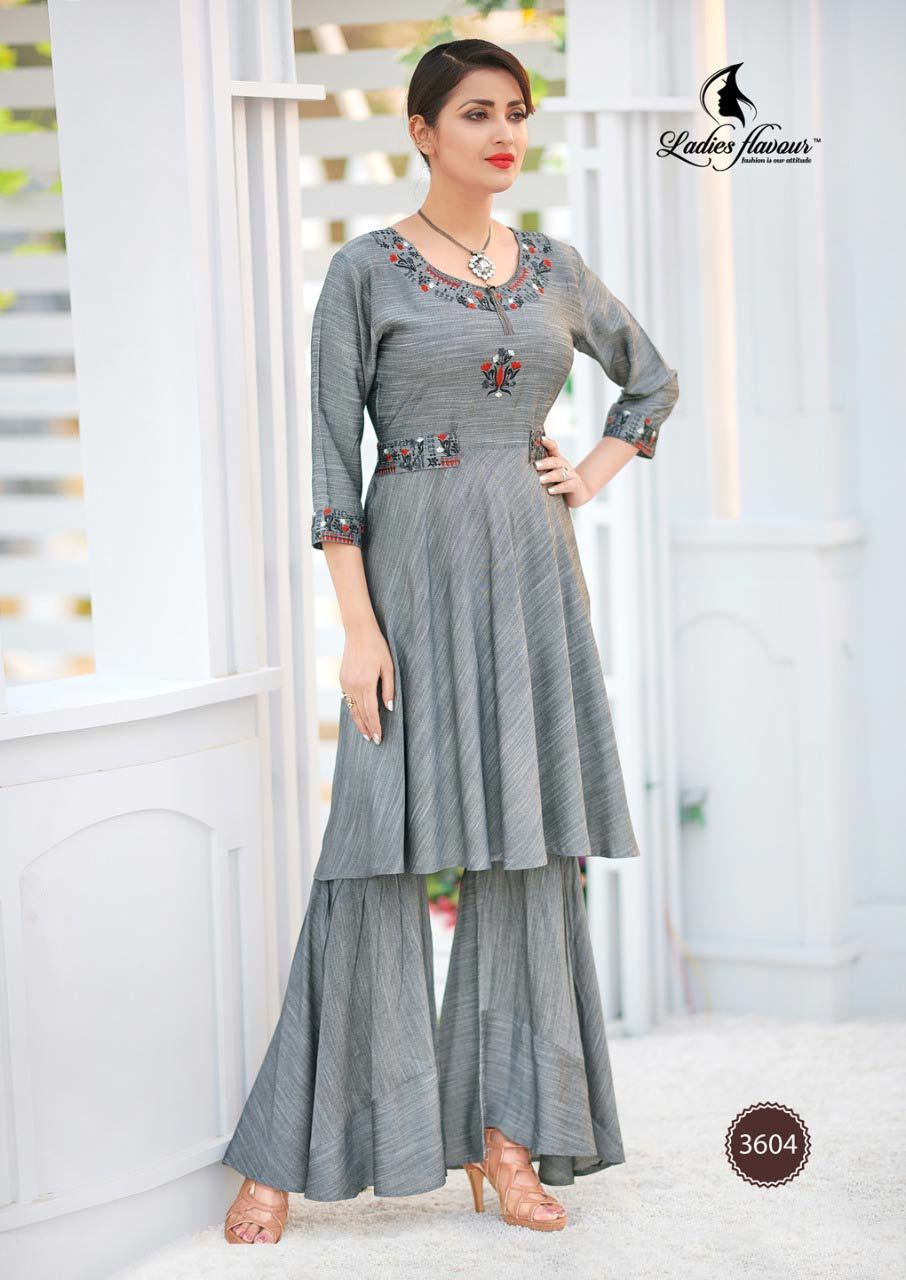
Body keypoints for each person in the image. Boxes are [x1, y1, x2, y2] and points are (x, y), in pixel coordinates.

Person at [222, 37, 679, 1245]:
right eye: (476, 112)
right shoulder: (363, 271)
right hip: (409, 580)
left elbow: (650, 382)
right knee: (371, 854)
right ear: (422, 131)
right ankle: (284, 1150)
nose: (503, 131)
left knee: (525, 857)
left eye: (516, 111)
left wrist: (589, 471)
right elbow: (332, 459)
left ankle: (507, 1138)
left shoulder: (556, 267)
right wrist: (356, 628)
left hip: (532, 577)